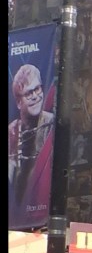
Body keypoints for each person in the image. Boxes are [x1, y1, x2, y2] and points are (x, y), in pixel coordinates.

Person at [8, 63, 55, 221]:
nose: (35, 96)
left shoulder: (52, 123)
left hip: (43, 211)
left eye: (37, 89)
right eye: (29, 93)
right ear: (19, 102)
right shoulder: (11, 132)